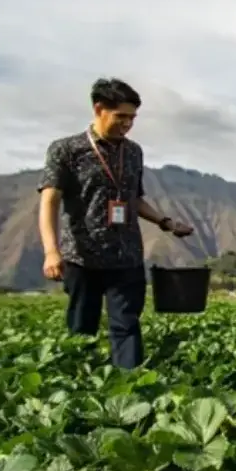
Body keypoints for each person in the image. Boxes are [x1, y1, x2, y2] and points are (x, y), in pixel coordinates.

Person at [37, 77, 194, 368]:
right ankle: (77, 388)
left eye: (132, 118)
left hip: (126, 255)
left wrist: (166, 222)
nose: (127, 124)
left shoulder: (133, 152)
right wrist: (51, 251)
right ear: (99, 109)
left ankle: (130, 386)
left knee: (127, 326)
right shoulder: (66, 151)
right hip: (83, 257)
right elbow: (50, 201)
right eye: (121, 117)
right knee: (82, 327)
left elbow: (133, 199)